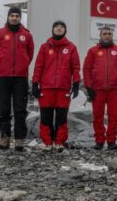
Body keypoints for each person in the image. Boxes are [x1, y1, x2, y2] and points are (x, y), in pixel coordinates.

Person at [0, 6, 35, 151]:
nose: (14, 18)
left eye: (17, 16)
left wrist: (23, 65)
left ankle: (19, 139)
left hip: (20, 77)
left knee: (20, 109)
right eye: (12, 15)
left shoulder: (27, 35)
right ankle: (5, 137)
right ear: (8, 17)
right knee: (4, 108)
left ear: (20, 18)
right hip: (3, 77)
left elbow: (30, 53)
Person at [30, 20, 81, 152]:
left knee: (61, 117)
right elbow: (39, 66)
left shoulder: (71, 47)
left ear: (65, 30)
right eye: (56, 27)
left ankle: (59, 141)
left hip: (63, 89)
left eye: (62, 27)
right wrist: (35, 83)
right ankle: (47, 142)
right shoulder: (44, 47)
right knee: (46, 116)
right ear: (52, 30)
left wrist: (76, 83)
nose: (59, 29)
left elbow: (75, 67)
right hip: (46, 88)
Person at [83, 27, 117, 150]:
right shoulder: (93, 51)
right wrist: (88, 86)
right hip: (97, 90)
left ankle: (112, 141)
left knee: (113, 117)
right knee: (98, 117)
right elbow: (86, 69)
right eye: (105, 34)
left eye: (109, 34)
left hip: (114, 90)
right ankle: (99, 141)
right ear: (100, 35)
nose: (107, 36)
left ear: (112, 35)